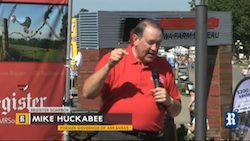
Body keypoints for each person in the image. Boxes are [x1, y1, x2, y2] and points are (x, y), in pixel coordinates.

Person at [82, 19, 182, 141]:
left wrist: (169, 101)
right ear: (135, 39)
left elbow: (176, 110)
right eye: (150, 42)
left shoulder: (163, 66)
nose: (154, 48)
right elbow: (88, 93)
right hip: (117, 135)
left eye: (158, 43)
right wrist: (108, 66)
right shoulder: (115, 60)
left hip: (153, 136)